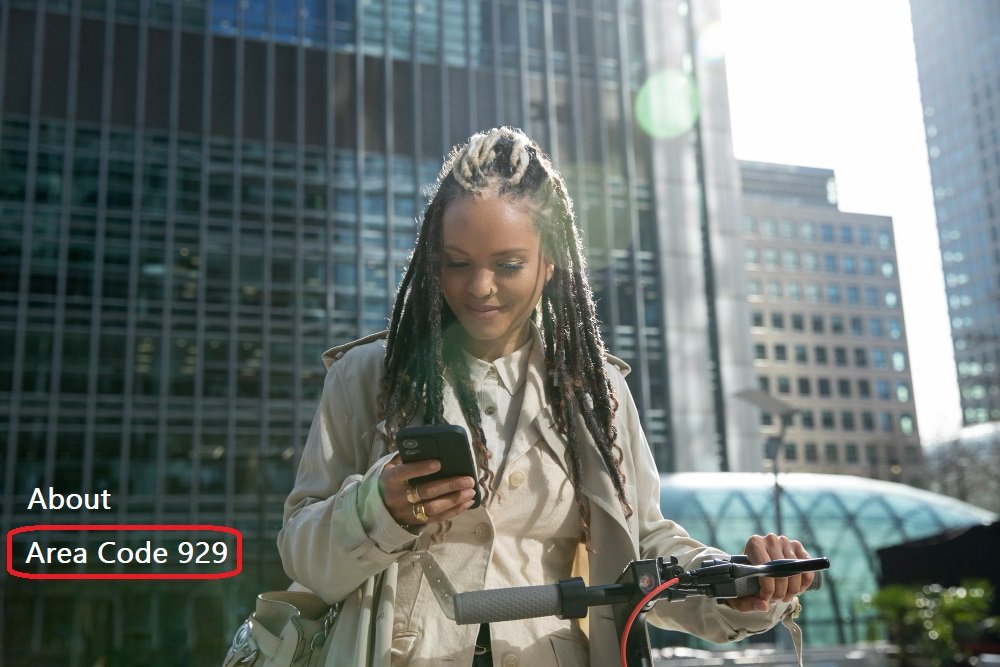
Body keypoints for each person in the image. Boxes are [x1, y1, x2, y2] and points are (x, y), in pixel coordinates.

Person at [278, 127, 814, 667]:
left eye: (508, 264)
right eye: (457, 263)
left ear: (550, 261)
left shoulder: (597, 390)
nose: (479, 286)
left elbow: (644, 546)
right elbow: (302, 553)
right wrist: (377, 507)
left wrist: (736, 582)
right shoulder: (368, 375)